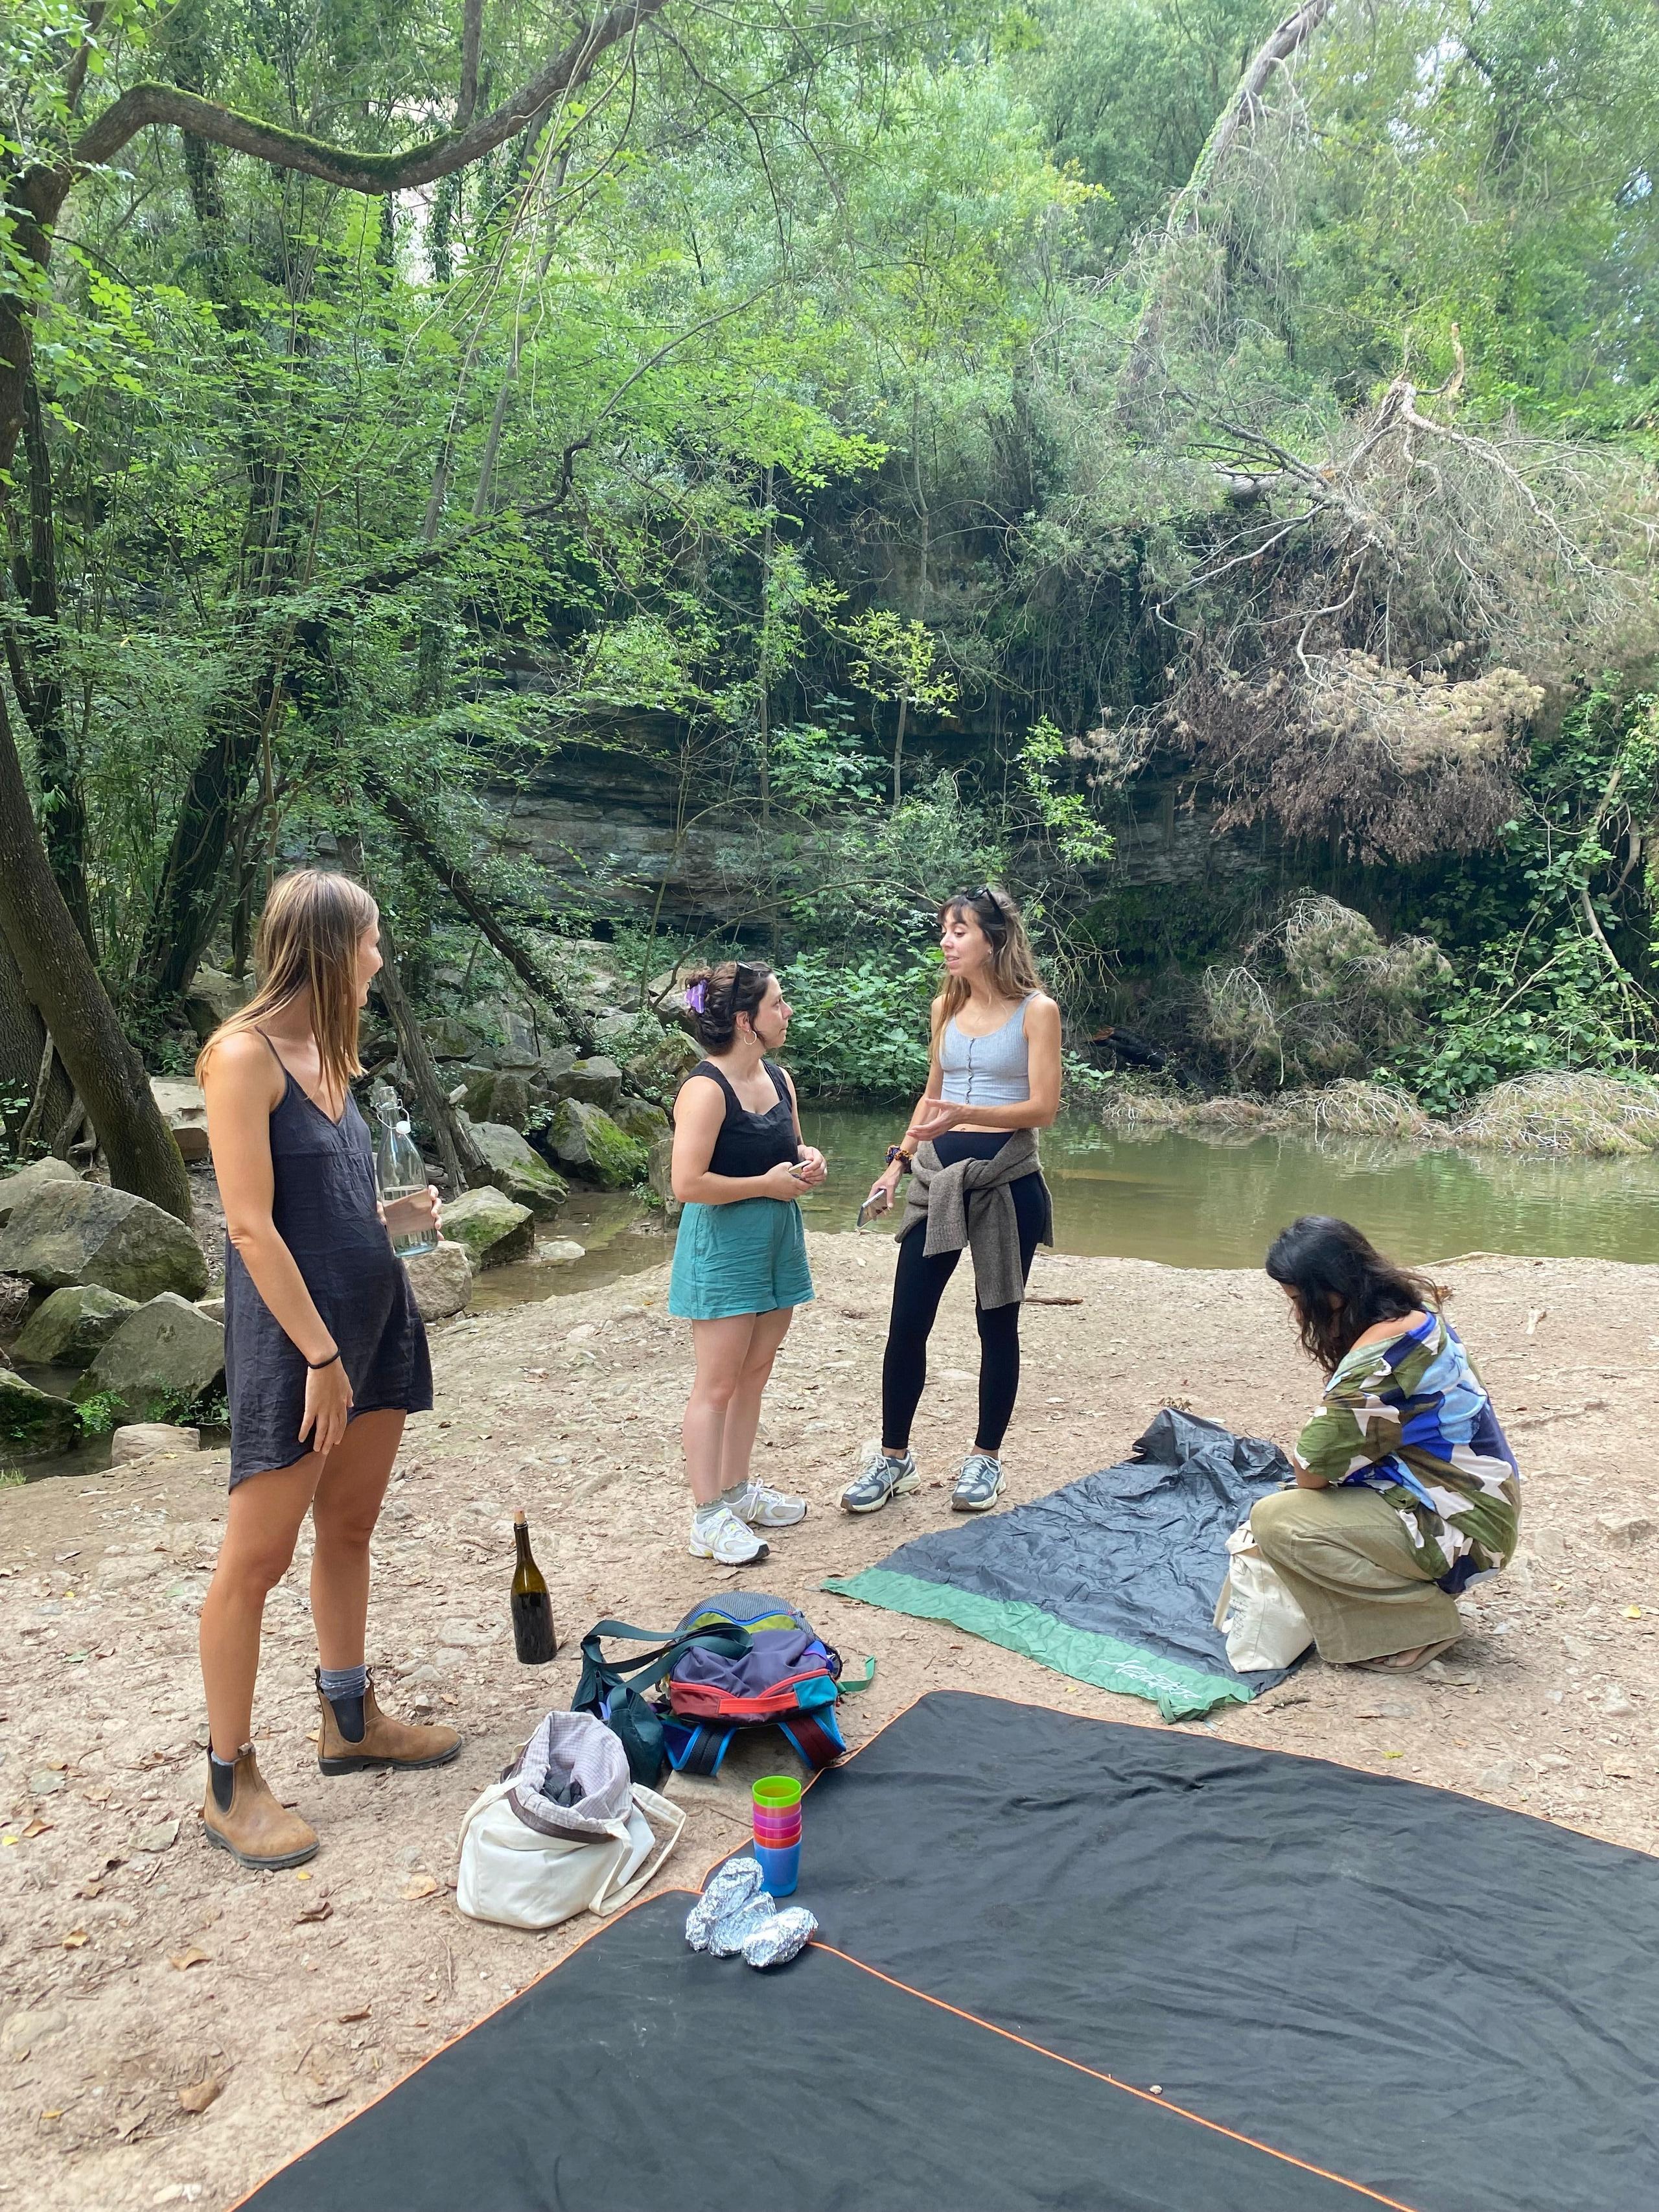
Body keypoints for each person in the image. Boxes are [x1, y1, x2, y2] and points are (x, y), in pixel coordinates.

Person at [195, 869, 461, 1870]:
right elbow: (251, 1227)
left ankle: (349, 1720)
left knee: (349, 1526)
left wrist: (397, 1224)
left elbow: (328, 1208)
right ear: (326, 946)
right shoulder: (242, 1057)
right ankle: (230, 1778)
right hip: (300, 1348)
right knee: (253, 1563)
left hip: (375, 1321)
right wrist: (318, 1355)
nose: (381, 956)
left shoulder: (332, 1057)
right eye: (372, 939)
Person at [842, 885, 1060, 1517]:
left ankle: (984, 1458)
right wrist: (896, 1164)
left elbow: (1042, 1107)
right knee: (907, 1322)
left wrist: (970, 1111)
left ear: (993, 938)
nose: (946, 940)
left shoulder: (1036, 1010)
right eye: (944, 929)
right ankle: (893, 1458)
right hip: (935, 1178)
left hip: (1005, 1181)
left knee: (997, 1322)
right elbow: (931, 1096)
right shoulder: (945, 1006)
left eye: (959, 929)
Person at [1253, 1215, 1521, 1674]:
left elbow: (1311, 1471)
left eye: (1300, 1301)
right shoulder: (1414, 1318)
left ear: (1331, 1292)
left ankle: (1418, 1622)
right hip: (1483, 1505)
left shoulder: (1375, 1367)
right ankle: (1409, 1594)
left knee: (1279, 1519)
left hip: (1464, 1529)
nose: (1298, 1315)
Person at [667, 959, 828, 1566]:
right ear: (745, 1021)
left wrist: (808, 1160)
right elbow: (688, 1182)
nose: (787, 1013)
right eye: (778, 1004)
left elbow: (791, 1148)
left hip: (776, 1244)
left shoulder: (779, 1079)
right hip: (725, 1252)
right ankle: (707, 1515)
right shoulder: (705, 1089)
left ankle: (736, 1491)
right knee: (716, 1385)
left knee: (755, 1372)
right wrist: (764, 1184)